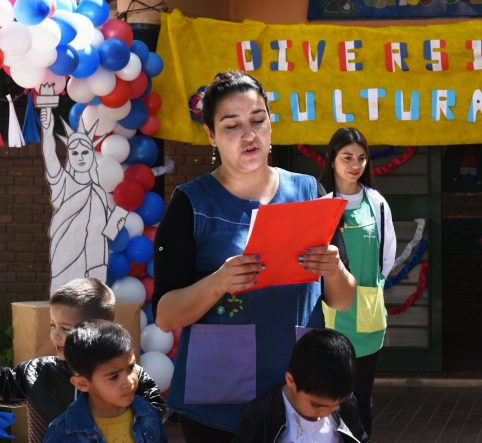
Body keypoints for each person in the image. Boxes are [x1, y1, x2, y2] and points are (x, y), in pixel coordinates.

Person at [152, 71, 356, 441]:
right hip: (218, 403)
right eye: (232, 126)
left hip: (299, 392)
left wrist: (335, 268)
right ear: (211, 136)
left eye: (258, 121)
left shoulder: (310, 190)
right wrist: (218, 283)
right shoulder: (190, 203)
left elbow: (343, 298)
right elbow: (165, 317)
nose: (249, 135)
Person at [0, 278, 167, 442]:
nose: (55, 335)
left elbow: (155, 416)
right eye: (53, 325)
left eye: (66, 329)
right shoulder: (37, 371)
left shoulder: (132, 376)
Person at [318, 127, 396, 436]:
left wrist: (370, 289)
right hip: (329, 314)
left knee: (362, 395)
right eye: (347, 157)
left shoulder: (376, 202)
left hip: (368, 313)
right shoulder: (321, 202)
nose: (355, 165)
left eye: (361, 158)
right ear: (332, 160)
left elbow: (386, 257)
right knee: (331, 395)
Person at [39, 104, 127, 294]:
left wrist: (121, 215)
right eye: (75, 153)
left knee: (93, 312)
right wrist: (47, 128)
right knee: (65, 307)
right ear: (69, 156)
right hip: (66, 260)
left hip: (95, 265)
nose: (80, 157)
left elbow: (109, 231)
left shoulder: (98, 192)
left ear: (91, 155)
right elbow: (50, 156)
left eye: (85, 152)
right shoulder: (62, 184)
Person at [234, 328, 369, 443]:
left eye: (336, 405)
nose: (326, 412)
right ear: (291, 381)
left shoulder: (347, 404)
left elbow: (360, 438)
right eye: (316, 405)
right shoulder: (262, 414)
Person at [44, 320, 167, 442]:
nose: (129, 381)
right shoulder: (61, 433)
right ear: (83, 383)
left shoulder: (147, 412)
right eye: (114, 377)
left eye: (130, 368)